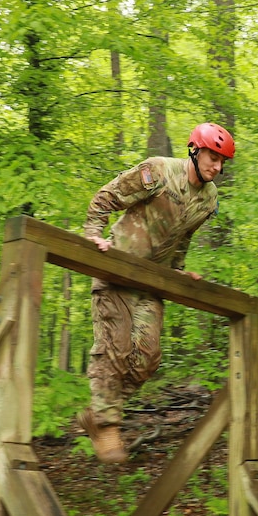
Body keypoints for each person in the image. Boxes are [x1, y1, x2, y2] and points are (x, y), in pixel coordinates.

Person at [77, 122, 235, 463]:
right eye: (212, 157)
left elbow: (182, 237)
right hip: (116, 268)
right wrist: (93, 233)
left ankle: (100, 409)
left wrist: (178, 270)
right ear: (195, 150)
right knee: (114, 348)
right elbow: (108, 195)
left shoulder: (209, 200)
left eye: (223, 162)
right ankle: (106, 425)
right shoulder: (159, 171)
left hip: (152, 281)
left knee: (147, 358)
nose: (217, 167)